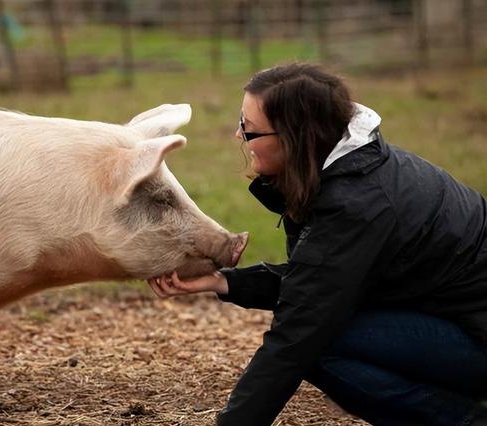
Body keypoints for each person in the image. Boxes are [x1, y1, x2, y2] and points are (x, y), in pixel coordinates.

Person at [147, 63, 487, 425]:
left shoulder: (356, 203)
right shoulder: (345, 167)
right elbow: (323, 278)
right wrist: (225, 281)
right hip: (452, 315)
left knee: (318, 344)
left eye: (249, 128)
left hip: (475, 335)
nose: (237, 135)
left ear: (294, 137)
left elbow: (301, 327)